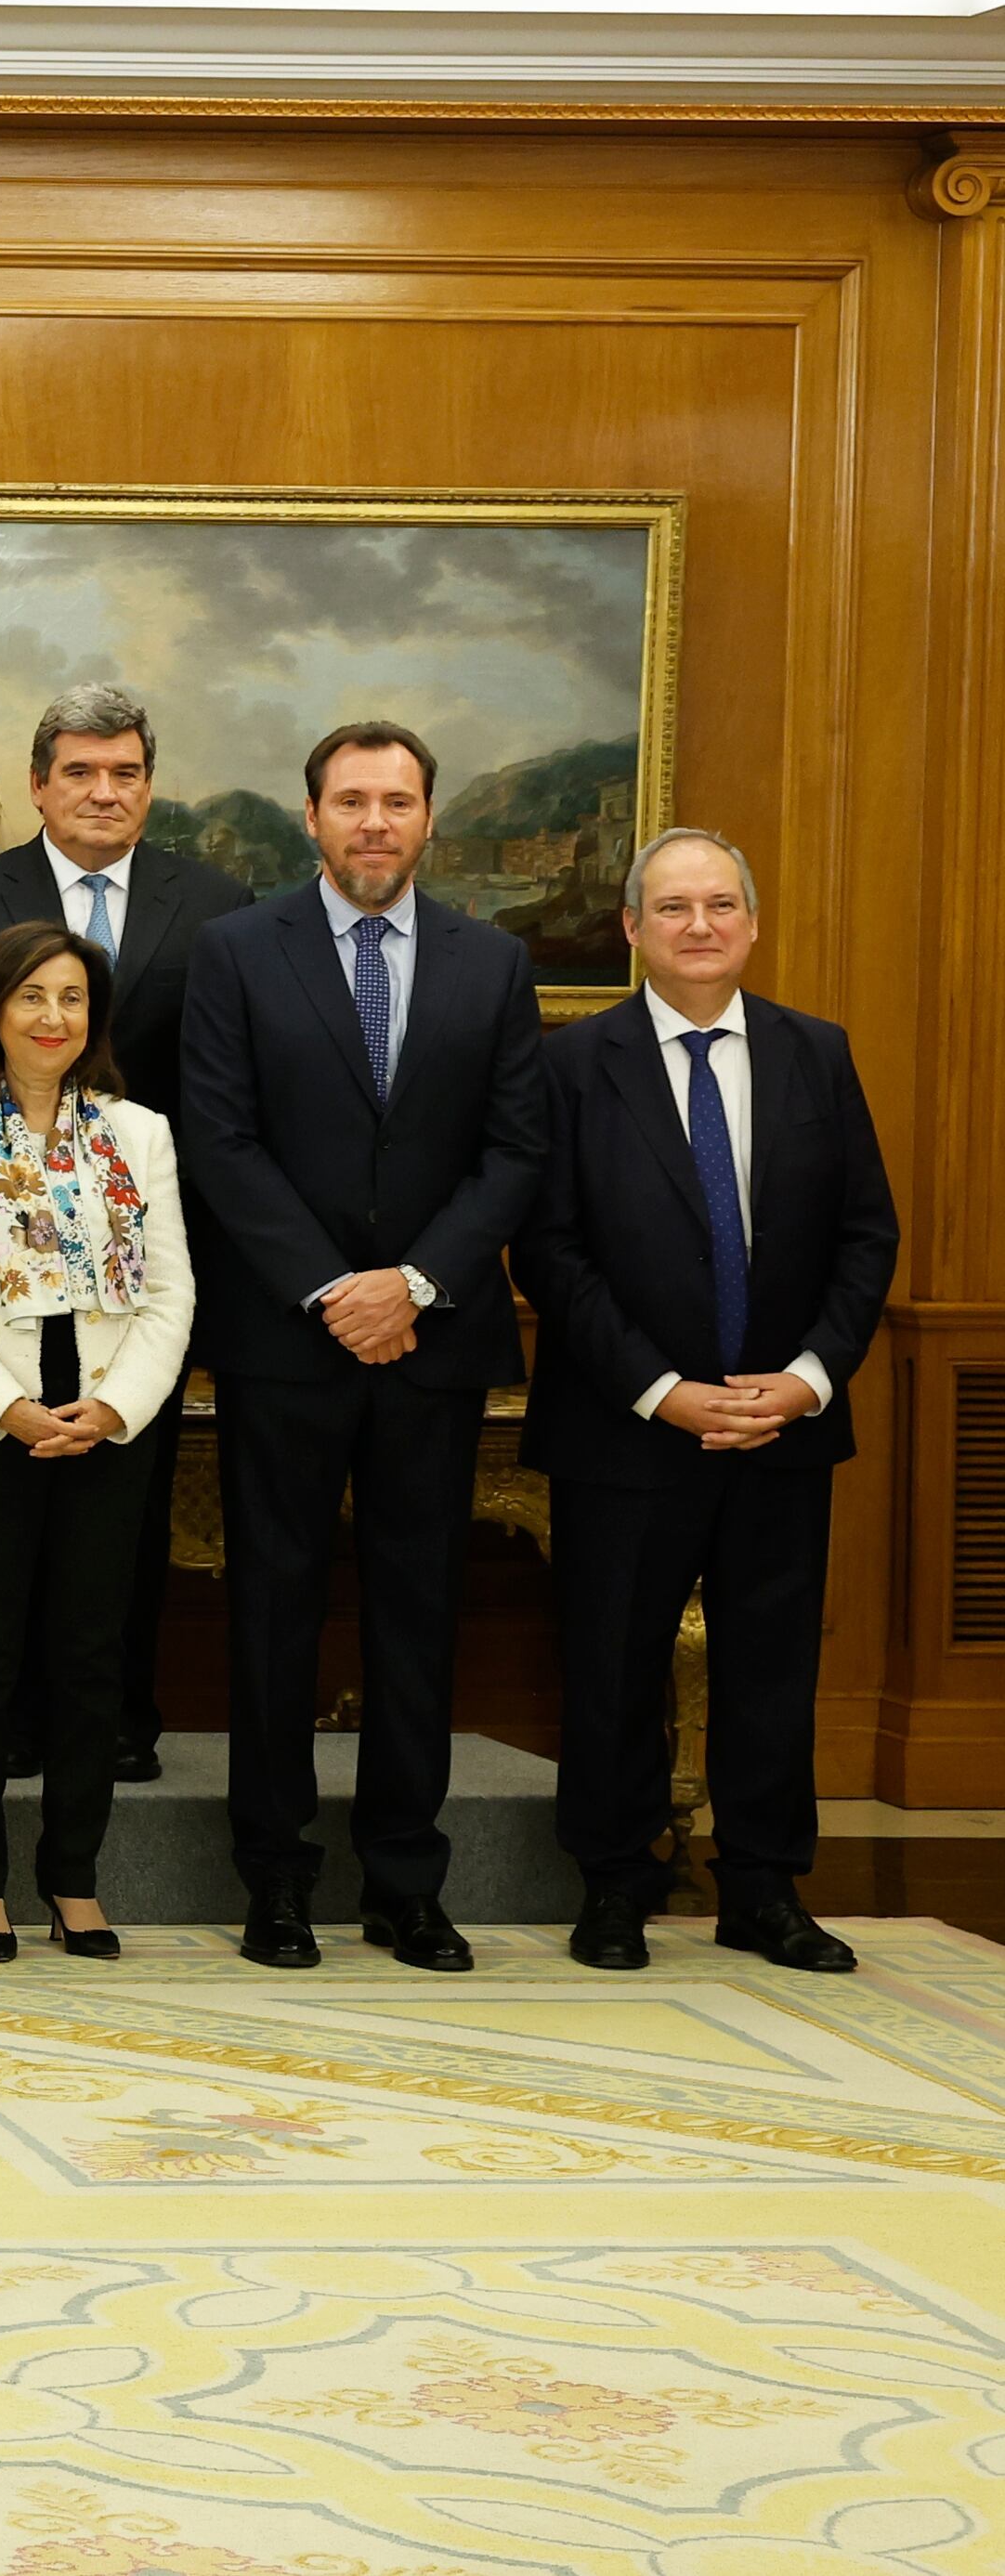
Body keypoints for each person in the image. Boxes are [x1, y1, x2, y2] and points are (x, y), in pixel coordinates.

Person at [181, 721, 547, 1974]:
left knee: (416, 1616)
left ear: (430, 817)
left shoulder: (493, 962)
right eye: (353, 801)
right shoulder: (235, 951)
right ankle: (275, 1881)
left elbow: (516, 1151)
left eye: (398, 801)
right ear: (312, 816)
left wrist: (418, 1281)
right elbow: (219, 1140)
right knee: (274, 1614)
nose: (376, 822)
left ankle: (406, 1882)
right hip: (288, 1339)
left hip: (433, 1344)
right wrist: (338, 1286)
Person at [517, 829, 896, 1976]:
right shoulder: (570, 1067)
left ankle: (763, 1890)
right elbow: (548, 1248)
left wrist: (807, 1378)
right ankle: (613, 1886)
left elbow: (863, 1235)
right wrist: (659, 1390)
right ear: (629, 929)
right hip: (625, 1426)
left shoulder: (814, 1054)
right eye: (671, 907)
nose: (698, 924)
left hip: (779, 1425)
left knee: (770, 1665)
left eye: (719, 904)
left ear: (750, 922)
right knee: (612, 1662)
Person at [0, 683, 252, 1787]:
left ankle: (113, 1722)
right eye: (80, 772)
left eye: (125, 773)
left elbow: (226, 1087)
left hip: (144, 1256)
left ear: (148, 784)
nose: (104, 791)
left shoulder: (216, 901)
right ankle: (9, 1722)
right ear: (37, 783)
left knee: (122, 1517)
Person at [0, 921, 196, 1963]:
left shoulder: (138, 1131)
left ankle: (73, 1879)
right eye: (29, 996)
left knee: (87, 1657)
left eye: (70, 998)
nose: (51, 1017)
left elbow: (169, 1293)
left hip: (110, 1430)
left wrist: (113, 1408)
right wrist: (7, 1409)